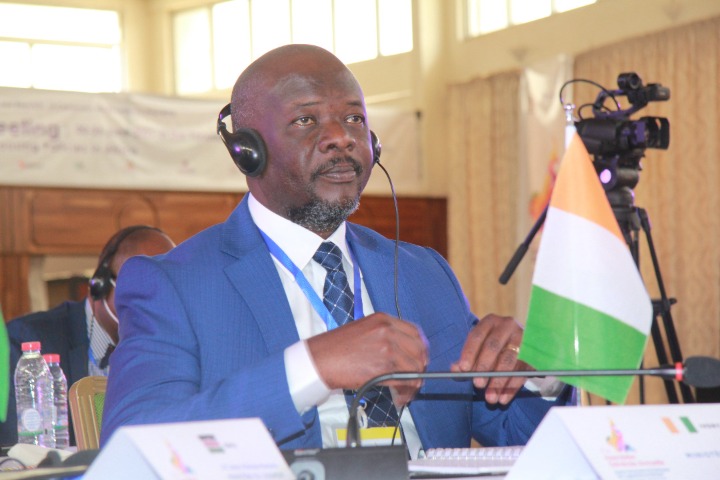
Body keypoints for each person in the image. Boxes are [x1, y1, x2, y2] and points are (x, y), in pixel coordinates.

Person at [101, 44, 572, 455]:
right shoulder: (173, 284)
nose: (341, 138)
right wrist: (314, 367)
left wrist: (535, 375)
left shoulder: (423, 272)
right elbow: (132, 446)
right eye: (306, 120)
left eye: (354, 119)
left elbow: (517, 436)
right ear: (247, 151)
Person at [1, 225, 175, 447]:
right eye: (142, 291)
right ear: (100, 285)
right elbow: (15, 449)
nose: (154, 306)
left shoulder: (172, 346)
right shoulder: (26, 341)